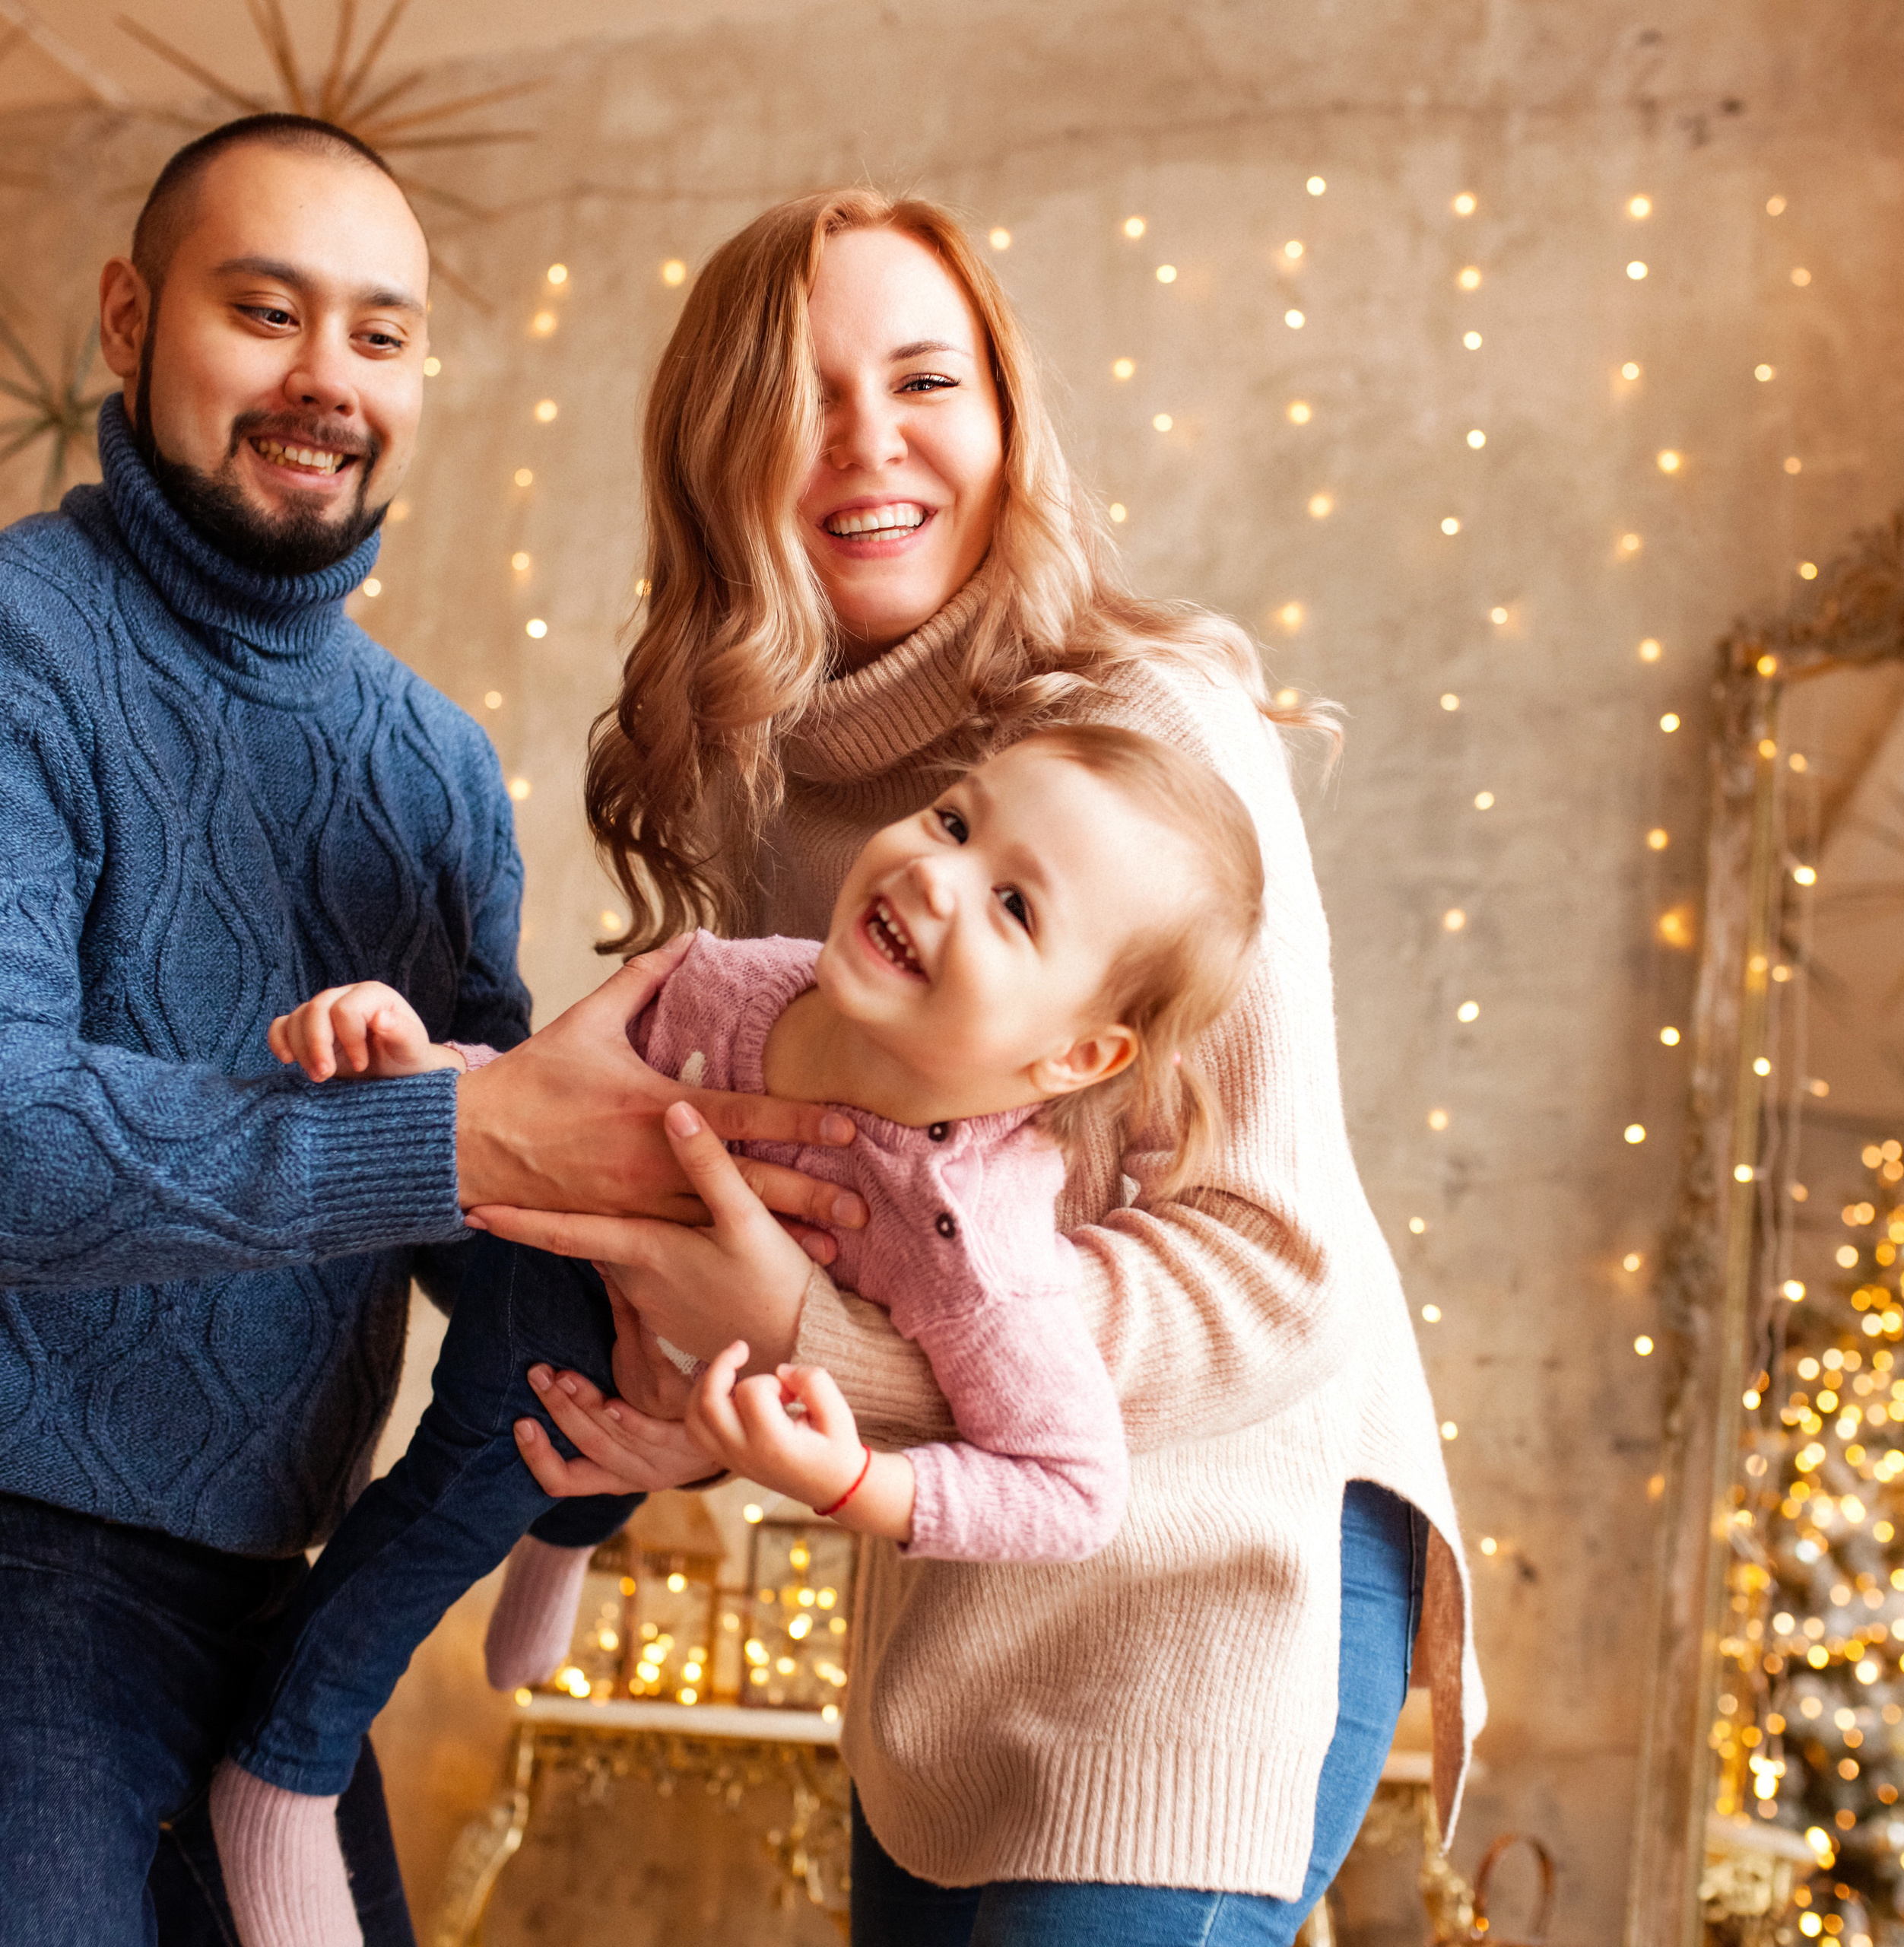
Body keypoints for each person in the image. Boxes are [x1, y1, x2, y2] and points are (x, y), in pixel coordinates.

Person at [474, 190, 1490, 1943]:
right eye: (801, 398)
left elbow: (1274, 1270)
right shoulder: (763, 791)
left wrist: (811, 1338)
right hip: (951, 1604)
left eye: (923, 380)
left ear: (1005, 420)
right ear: (716, 456)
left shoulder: (1151, 738)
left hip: (1213, 1577)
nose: (869, 442)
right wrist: (692, 1413)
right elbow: (816, 1207)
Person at [0, 115, 855, 1947]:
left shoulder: (432, 763)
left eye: (380, 334)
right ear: (130, 318)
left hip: (279, 1602)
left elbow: (489, 1205)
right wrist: (457, 1132)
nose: (329, 378)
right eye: (266, 311)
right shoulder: (19, 643)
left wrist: (665, 1357)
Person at [209, 720, 1269, 1946]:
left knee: (609, 1428)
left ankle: (553, 1544)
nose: (937, 876)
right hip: (554, 1260)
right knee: (489, 1451)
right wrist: (427, 1070)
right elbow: (548, 1101)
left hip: (676, 1362)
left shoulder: (973, 1249)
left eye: (1016, 907)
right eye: (954, 821)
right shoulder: (729, 982)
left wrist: (854, 1482)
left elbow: (1073, 1489)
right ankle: (286, 1763)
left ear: (1076, 1053)